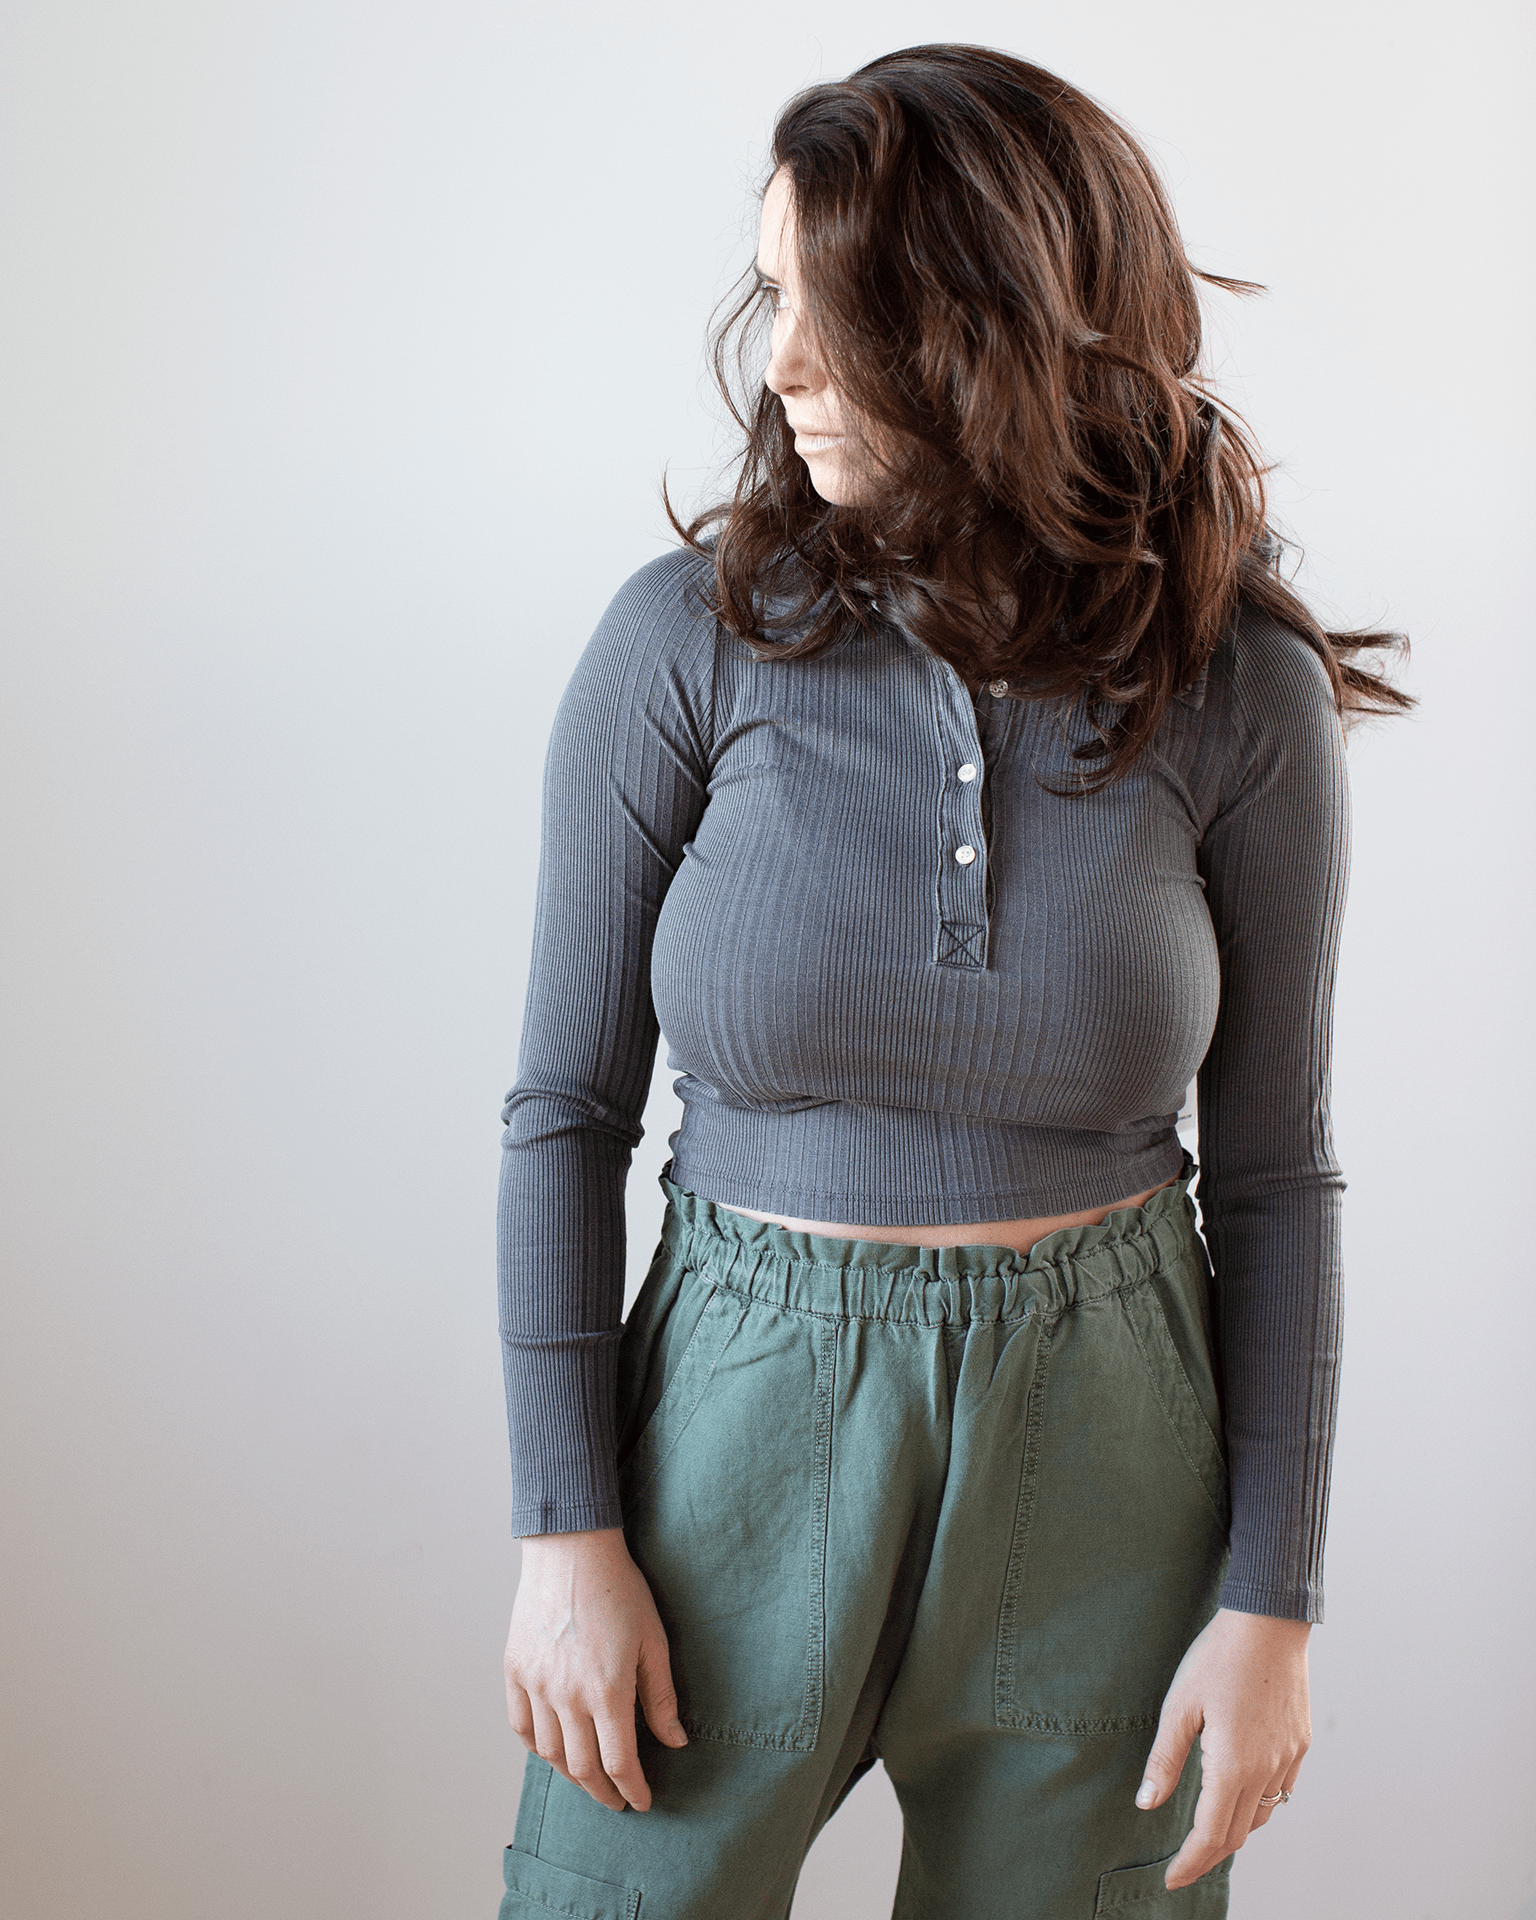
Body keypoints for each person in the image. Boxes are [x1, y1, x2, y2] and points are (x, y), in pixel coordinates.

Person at [493, 44, 1408, 1920]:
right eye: (780, 299)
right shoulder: (683, 645)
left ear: (1013, 324)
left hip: (1110, 1449)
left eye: (853, 312)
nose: (790, 364)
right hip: (731, 1423)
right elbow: (563, 1113)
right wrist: (564, 1530)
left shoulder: (1240, 688)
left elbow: (1280, 1174)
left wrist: (1273, 1601)